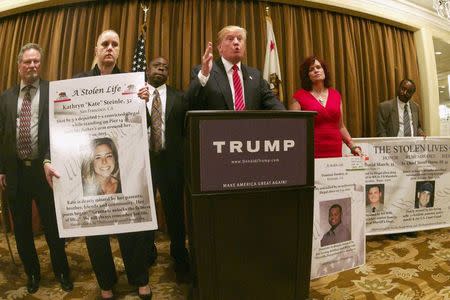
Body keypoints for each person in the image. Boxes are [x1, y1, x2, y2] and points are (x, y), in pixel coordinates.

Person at [44, 30, 152, 299]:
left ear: (118, 50)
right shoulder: (77, 82)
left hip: (120, 167)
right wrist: (48, 159)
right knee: (94, 231)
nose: (110, 48)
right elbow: (60, 127)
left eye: (115, 44)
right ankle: (105, 282)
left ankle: (139, 277)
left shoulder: (131, 82)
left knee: (130, 227)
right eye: (105, 43)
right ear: (96, 48)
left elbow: (144, 126)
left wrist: (144, 105)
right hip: (87, 170)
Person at [0, 43, 73, 294]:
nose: (32, 65)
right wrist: (1, 169)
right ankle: (32, 273)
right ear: (18, 65)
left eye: (36, 61)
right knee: (21, 229)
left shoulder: (54, 91)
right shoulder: (6, 97)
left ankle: (62, 271)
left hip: (45, 171)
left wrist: (51, 159)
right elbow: (2, 135)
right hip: (16, 173)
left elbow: (63, 130)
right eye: (27, 61)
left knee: (53, 227)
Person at [143, 57, 190, 281]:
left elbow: (185, 132)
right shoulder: (135, 95)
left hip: (172, 163)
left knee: (175, 211)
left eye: (165, 66)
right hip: (144, 162)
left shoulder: (180, 97)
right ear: (147, 69)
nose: (161, 68)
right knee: (146, 210)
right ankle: (147, 252)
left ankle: (179, 252)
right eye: (156, 65)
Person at [185, 25, 285, 111]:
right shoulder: (204, 72)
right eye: (230, 38)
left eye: (240, 39)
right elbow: (189, 103)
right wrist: (203, 75)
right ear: (220, 48)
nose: (236, 42)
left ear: (244, 47)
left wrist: (289, 119)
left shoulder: (255, 75)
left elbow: (273, 104)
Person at [376, 78, 424, 239]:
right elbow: (380, 132)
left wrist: (421, 132)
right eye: (402, 89)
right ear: (398, 88)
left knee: (409, 191)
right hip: (393, 156)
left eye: (408, 91)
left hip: (412, 156)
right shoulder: (385, 106)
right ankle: (392, 227)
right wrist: (388, 153)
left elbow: (418, 126)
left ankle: (407, 224)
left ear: (412, 93)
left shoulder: (416, 107)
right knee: (393, 191)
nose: (404, 92)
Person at [289, 55, 361, 158]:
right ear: (307, 75)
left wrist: (353, 147)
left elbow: (340, 126)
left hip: (335, 149)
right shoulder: (298, 97)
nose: (316, 71)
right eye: (311, 69)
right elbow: (294, 131)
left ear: (324, 71)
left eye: (318, 67)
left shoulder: (336, 95)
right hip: (310, 151)